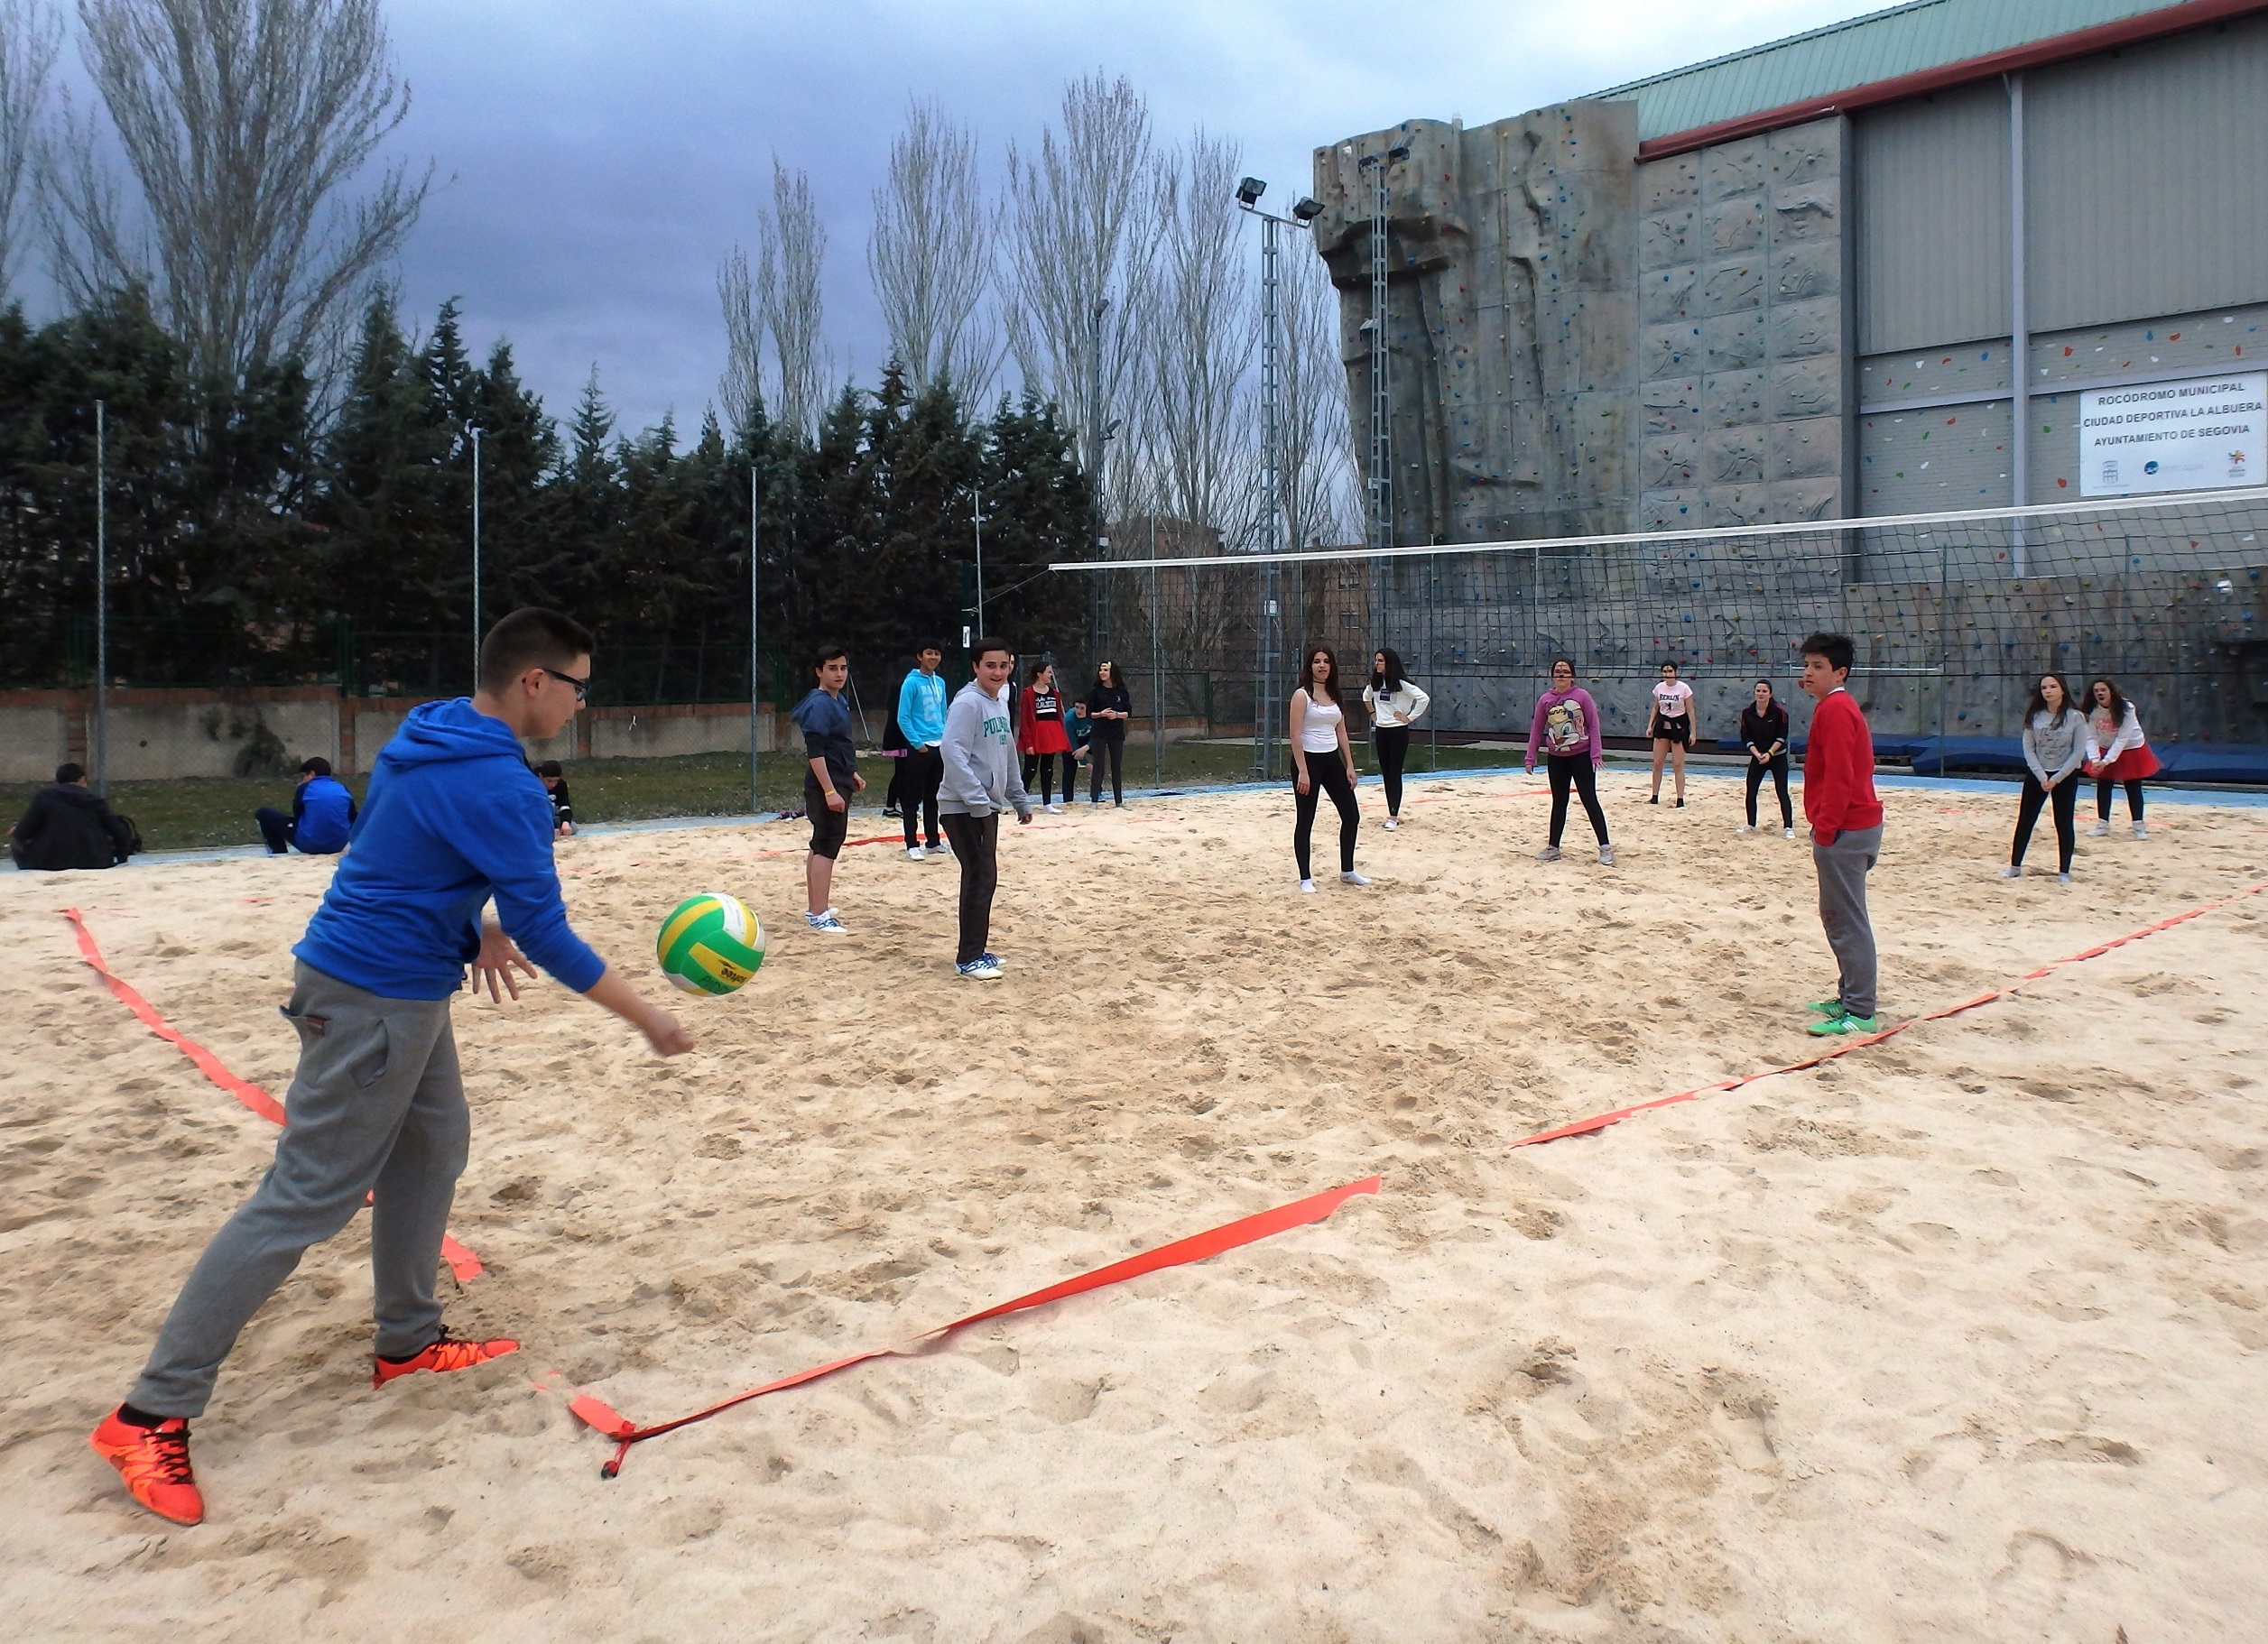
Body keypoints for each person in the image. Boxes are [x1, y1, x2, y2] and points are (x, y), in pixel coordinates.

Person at [89, 607, 694, 1528]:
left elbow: (407, 849)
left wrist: (475, 925)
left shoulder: (434, 728)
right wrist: (647, 1016)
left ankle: (406, 1341)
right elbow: (549, 933)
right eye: (578, 683)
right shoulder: (504, 784)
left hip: (395, 985)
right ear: (534, 681)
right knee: (306, 1196)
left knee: (432, 1145)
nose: (581, 702)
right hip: (371, 995)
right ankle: (149, 1412)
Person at [1799, 632, 1884, 1036]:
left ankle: (1861, 1011)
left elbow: (1840, 777)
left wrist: (1826, 828)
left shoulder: (1835, 709)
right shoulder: (1837, 706)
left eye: (1818, 666)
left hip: (1846, 828)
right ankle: (1850, 995)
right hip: (1852, 825)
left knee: (1846, 921)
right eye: (1807, 665)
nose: (1808, 673)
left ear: (1840, 673)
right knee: (1840, 917)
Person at [938, 637, 1033, 979]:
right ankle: (968, 958)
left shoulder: (998, 703)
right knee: (979, 875)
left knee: (985, 877)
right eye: (989, 665)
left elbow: (1006, 755)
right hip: (962, 806)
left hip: (986, 806)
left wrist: (1018, 798)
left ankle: (977, 950)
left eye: (1003, 665)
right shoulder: (968, 704)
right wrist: (977, 799)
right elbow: (951, 752)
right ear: (976, 667)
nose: (997, 671)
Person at [792, 643, 866, 931]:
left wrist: (852, 773)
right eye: (832, 668)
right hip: (827, 783)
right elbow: (816, 753)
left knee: (821, 841)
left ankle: (816, 906)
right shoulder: (820, 704)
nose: (839, 674)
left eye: (843, 668)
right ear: (819, 671)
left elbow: (839, 745)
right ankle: (819, 913)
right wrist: (829, 790)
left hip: (838, 777)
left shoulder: (838, 700)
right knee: (827, 844)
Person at [1290, 645, 1368, 893]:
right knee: (1306, 820)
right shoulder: (1302, 695)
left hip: (1332, 760)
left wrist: (1350, 766)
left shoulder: (1335, 695)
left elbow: (1341, 732)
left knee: (1351, 815)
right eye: (1316, 662)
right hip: (1309, 762)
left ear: (1332, 666)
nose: (1321, 666)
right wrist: (1302, 770)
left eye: (1326, 661)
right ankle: (1305, 878)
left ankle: (1347, 871)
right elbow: (1294, 734)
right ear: (1309, 666)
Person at [1524, 659, 1613, 865]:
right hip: (1557, 758)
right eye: (1558, 671)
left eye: (1565, 671)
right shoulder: (1546, 699)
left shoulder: (1582, 696)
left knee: (1589, 799)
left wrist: (1596, 754)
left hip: (1581, 755)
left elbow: (1593, 725)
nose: (1561, 674)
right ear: (1553, 676)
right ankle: (1553, 847)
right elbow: (1537, 730)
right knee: (1559, 802)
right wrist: (1531, 757)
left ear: (1572, 676)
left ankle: (1605, 847)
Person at [2003, 672, 2087, 883]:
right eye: (2044, 688)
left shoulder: (2076, 717)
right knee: (2025, 820)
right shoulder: (2035, 716)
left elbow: (2078, 752)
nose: (2048, 691)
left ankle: (2064, 871)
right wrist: (2041, 775)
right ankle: (2014, 866)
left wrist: (2057, 777)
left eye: (2052, 687)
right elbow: (2029, 749)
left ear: (2062, 689)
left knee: (2063, 822)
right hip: (2038, 774)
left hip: (2064, 776)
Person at [8, 762, 135, 871]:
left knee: (16, 841)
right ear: (81, 779)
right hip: (95, 861)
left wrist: (19, 830)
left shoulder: (45, 797)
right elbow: (118, 831)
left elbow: (23, 832)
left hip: (50, 863)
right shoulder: (95, 800)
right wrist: (121, 858)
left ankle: (26, 868)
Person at [1363, 648, 1430, 830]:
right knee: (1386, 774)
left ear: (1390, 663)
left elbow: (1423, 698)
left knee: (1394, 773)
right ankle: (1391, 811)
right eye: (1376, 660)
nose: (1377, 664)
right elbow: (1366, 697)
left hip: (1398, 731)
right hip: (1382, 731)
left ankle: (1393, 816)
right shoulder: (1375, 683)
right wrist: (1372, 713)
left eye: (1381, 661)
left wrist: (1409, 717)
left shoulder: (1401, 684)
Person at [2083, 677, 2159, 840]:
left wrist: (2107, 761)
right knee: (2103, 785)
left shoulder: (2126, 708)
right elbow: (2091, 737)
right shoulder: (2092, 711)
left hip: (2131, 747)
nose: (2100, 693)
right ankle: (2102, 824)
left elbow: (2123, 738)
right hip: (2105, 746)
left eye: (2103, 690)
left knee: (2132, 786)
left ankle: (2138, 826)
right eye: (2096, 691)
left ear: (2111, 691)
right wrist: (2095, 760)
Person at [895, 642, 949, 861]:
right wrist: (918, 744)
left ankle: (933, 840)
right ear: (920, 656)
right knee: (912, 797)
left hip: (939, 745)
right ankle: (911, 843)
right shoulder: (910, 683)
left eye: (937, 653)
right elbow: (903, 717)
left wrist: (945, 738)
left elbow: (943, 711)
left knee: (934, 797)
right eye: (929, 653)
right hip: (921, 747)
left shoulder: (941, 682)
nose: (933, 657)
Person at [253, 757, 358, 856]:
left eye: (304, 776)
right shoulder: (342, 788)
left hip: (310, 844)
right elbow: (352, 816)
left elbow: (298, 813)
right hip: (337, 845)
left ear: (312, 774)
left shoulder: (305, 787)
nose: (302, 780)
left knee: (263, 813)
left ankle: (278, 852)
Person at [1018, 660, 1077, 814]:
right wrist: (1028, 742)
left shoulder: (1054, 693)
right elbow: (1025, 719)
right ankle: (1021, 802)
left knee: (1048, 768)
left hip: (1051, 733)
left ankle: (1047, 803)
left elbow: (1058, 715)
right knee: (1030, 769)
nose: (1051, 675)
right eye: (1048, 672)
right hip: (1036, 733)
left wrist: (1062, 736)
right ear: (1039, 674)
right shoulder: (1028, 694)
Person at [1736, 681, 1794, 837]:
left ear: (1770, 694)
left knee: (1781, 790)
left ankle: (1788, 827)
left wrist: (1769, 753)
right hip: (1758, 755)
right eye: (1758, 691)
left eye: (1764, 691)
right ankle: (1751, 824)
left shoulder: (1779, 712)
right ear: (1754, 692)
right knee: (1751, 789)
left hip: (1777, 755)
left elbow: (1782, 736)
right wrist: (1756, 753)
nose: (1761, 694)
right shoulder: (1747, 712)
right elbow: (1745, 735)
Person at [1082, 660, 1133, 807]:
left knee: (1116, 766)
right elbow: (1089, 713)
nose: (1102, 673)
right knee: (1098, 765)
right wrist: (1101, 714)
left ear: (1113, 672)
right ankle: (1094, 800)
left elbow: (1128, 712)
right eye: (1101, 670)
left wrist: (1116, 715)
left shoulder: (1121, 691)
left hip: (1116, 732)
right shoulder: (1096, 691)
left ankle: (1119, 801)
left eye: (1105, 670)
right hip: (1100, 732)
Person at [1647, 660, 1695, 807]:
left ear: (1676, 672)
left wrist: (1693, 732)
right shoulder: (1659, 688)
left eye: (1670, 671)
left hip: (1679, 728)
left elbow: (1691, 710)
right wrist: (1650, 726)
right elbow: (1655, 708)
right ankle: (1654, 796)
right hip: (1662, 727)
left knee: (1678, 764)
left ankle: (1680, 799)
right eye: (1665, 671)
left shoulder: (1684, 688)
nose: (1667, 674)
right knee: (1657, 763)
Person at [533, 761, 572, 837]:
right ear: (541, 776)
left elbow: (565, 805)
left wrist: (565, 822)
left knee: (572, 827)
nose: (553, 785)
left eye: (556, 781)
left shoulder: (561, 785)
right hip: (536, 818)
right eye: (549, 781)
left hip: (553, 818)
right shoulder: (533, 784)